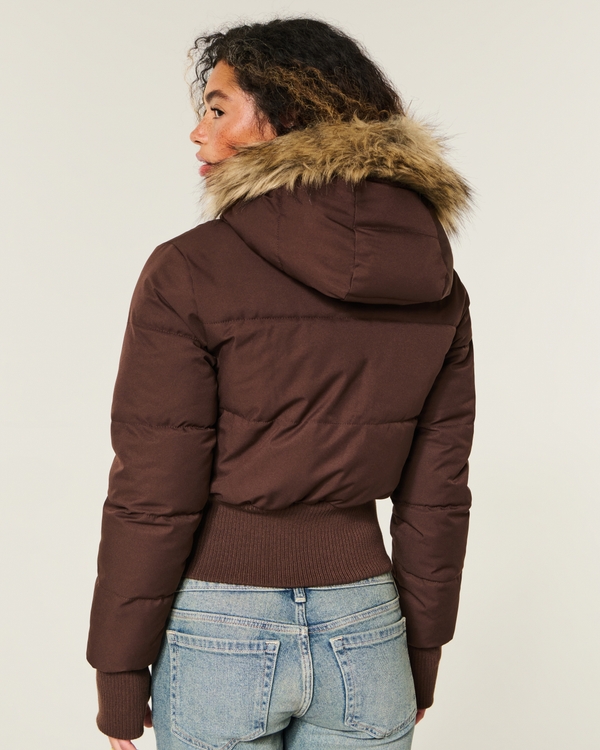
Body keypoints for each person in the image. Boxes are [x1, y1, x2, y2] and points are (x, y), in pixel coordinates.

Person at [86, 17, 475, 750]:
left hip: (220, 627)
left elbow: (153, 489)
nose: (198, 133)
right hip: (367, 628)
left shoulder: (188, 270)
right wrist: (420, 654)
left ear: (286, 115)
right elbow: (438, 494)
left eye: (217, 108)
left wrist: (119, 666)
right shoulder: (433, 280)